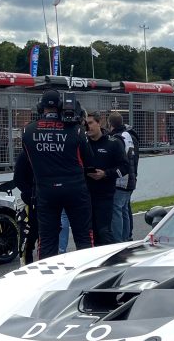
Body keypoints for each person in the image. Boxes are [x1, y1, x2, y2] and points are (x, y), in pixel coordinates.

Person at [17, 89, 94, 259]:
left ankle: (47, 280)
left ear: (40, 107)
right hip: (75, 189)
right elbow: (89, 160)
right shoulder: (77, 129)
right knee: (84, 237)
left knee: (47, 240)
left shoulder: (27, 131)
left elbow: (28, 159)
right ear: (61, 106)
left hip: (45, 191)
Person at [84, 111, 128, 245]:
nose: (88, 127)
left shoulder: (113, 142)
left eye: (90, 123)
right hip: (85, 196)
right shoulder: (82, 143)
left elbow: (125, 167)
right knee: (87, 233)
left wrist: (105, 174)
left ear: (99, 123)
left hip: (105, 196)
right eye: (85, 124)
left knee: (103, 232)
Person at [108, 111, 138, 239]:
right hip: (131, 176)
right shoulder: (131, 135)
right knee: (124, 209)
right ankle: (126, 238)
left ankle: (118, 240)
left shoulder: (117, 138)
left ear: (110, 124)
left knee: (117, 210)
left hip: (121, 179)